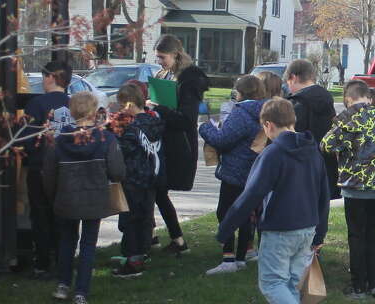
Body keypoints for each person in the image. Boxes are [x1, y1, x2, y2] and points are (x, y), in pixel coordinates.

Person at [217, 98, 329, 304]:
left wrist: (226, 228)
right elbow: (323, 193)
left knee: (271, 283)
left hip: (280, 228)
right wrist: (320, 231)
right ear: (293, 121)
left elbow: (252, 193)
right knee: (288, 284)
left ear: (267, 125)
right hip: (307, 227)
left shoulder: (273, 154)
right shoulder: (313, 150)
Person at [322, 79, 375, 299]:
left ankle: (358, 285)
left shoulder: (347, 117)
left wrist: (346, 145)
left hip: (354, 185)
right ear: (367, 96)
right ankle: (374, 283)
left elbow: (326, 144)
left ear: (348, 98)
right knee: (371, 233)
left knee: (356, 234)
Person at [42, 91, 123, 304]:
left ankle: (63, 284)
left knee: (67, 242)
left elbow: (49, 175)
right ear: (95, 111)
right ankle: (81, 292)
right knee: (88, 244)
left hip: (66, 197)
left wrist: (54, 196)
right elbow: (117, 171)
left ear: (71, 111)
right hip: (94, 198)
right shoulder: (106, 138)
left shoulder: (60, 141)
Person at [199, 74, 265, 276]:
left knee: (225, 212)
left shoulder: (241, 113)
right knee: (246, 212)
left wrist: (205, 127)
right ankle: (242, 255)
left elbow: (223, 140)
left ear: (240, 92)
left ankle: (228, 257)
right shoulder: (264, 111)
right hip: (253, 170)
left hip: (235, 170)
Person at [151, 34, 209, 256]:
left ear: (175, 55)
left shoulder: (189, 80)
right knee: (155, 190)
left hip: (179, 143)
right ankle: (161, 237)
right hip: (163, 140)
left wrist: (159, 108)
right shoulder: (165, 74)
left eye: (162, 57)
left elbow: (186, 119)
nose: (159, 62)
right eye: (157, 58)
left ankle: (176, 239)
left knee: (157, 191)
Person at [21, 59, 73, 278]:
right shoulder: (74, 104)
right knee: (64, 217)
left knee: (40, 216)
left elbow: (25, 139)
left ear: (52, 77)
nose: (42, 81)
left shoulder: (36, 105)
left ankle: (42, 263)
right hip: (68, 169)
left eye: (44, 76)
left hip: (41, 167)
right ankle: (64, 260)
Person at [110, 81, 164, 279]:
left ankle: (133, 260)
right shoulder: (153, 121)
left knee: (130, 220)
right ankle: (142, 253)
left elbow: (125, 150)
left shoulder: (131, 127)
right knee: (144, 217)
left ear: (129, 104)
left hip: (133, 177)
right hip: (150, 176)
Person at [285, 58, 338, 199]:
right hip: (325, 164)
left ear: (293, 78)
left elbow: (291, 136)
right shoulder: (327, 99)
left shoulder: (297, 104)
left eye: (288, 82)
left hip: (302, 166)